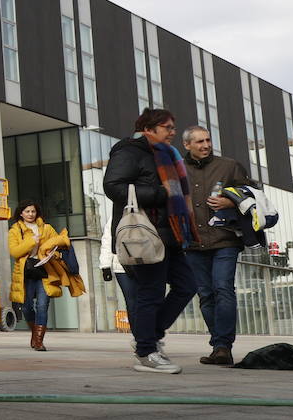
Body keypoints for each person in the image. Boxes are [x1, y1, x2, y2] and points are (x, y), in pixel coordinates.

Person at [103, 109, 199, 374]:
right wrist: (159, 193)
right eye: (168, 128)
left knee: (187, 285)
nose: (172, 133)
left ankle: (149, 335)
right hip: (145, 235)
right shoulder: (129, 151)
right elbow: (113, 186)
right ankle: (146, 352)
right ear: (148, 128)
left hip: (170, 234)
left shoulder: (167, 154)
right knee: (151, 293)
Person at [181, 125, 252, 366]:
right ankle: (218, 345)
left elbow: (252, 194)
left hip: (225, 238)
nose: (206, 145)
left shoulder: (229, 166)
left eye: (208, 140)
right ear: (187, 145)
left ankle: (223, 346)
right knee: (205, 294)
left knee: (223, 288)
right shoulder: (177, 170)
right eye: (199, 142)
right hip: (193, 242)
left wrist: (231, 202)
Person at [7, 201, 58, 351]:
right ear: (21, 213)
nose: (30, 214)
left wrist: (53, 253)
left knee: (42, 305)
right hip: (26, 272)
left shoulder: (47, 228)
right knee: (26, 307)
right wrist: (31, 241)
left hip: (44, 271)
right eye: (27, 211)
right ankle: (35, 334)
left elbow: (58, 245)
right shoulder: (15, 230)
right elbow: (14, 252)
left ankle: (39, 341)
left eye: (33, 211)